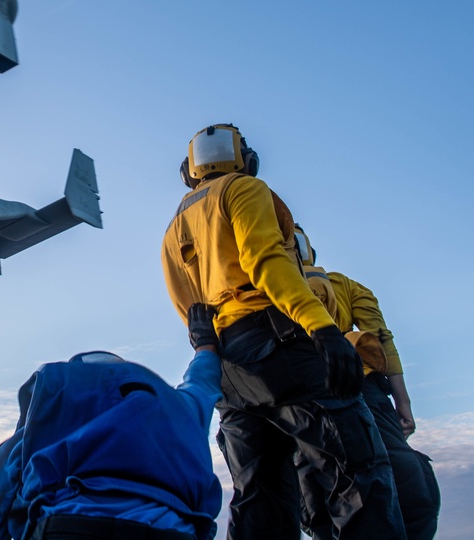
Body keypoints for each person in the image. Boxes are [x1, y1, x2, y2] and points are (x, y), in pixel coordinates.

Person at [160, 123, 405, 539]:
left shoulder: (173, 227)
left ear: (189, 170)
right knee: (358, 474)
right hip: (283, 348)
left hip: (226, 368)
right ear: (246, 160)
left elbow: (189, 307)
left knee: (259, 496)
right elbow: (266, 262)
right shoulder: (244, 189)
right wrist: (321, 328)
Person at [0, 324, 223, 540]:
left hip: (69, 528)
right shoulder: (173, 410)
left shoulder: (50, 416)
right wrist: (205, 346)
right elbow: (201, 385)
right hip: (172, 532)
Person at [291, 225, 440, 540]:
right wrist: (403, 404)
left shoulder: (256, 290)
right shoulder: (341, 285)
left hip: (293, 398)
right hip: (358, 388)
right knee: (403, 482)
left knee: (317, 492)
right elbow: (382, 340)